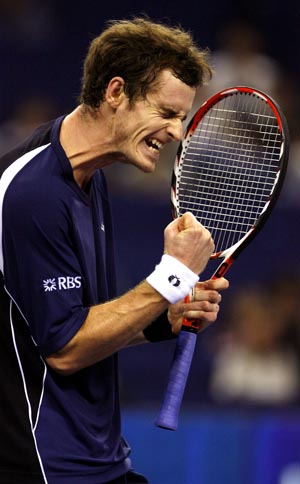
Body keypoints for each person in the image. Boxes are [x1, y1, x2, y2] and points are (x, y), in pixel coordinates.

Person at [0, 17, 229, 484]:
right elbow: (64, 348)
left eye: (182, 118)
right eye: (166, 112)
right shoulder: (32, 194)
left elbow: (84, 322)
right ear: (116, 92)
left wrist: (164, 319)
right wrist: (171, 277)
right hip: (45, 467)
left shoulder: (89, 176)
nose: (177, 133)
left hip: (100, 461)